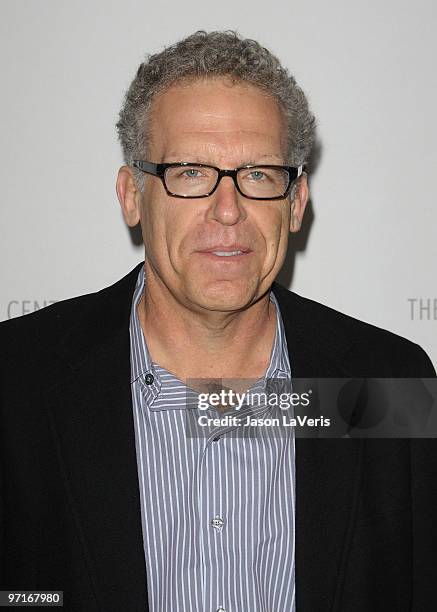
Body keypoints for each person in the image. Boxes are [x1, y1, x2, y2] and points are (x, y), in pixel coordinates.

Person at [0, 30, 435, 612]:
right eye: (189, 172)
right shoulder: (15, 380)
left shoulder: (393, 383)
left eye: (257, 175)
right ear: (132, 196)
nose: (227, 210)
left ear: (296, 203)